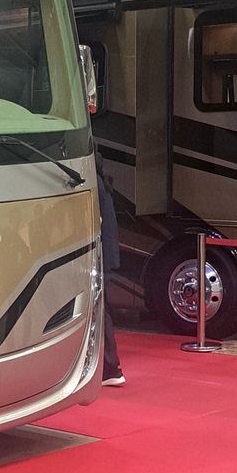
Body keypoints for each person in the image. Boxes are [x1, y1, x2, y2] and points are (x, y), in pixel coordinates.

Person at [97, 165, 124, 386]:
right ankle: (109, 367)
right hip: (106, 257)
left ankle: (110, 366)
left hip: (98, 259)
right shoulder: (103, 183)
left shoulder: (94, 184)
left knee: (101, 312)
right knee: (103, 310)